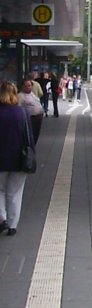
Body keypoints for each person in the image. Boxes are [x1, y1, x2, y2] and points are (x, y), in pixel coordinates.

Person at [0, 81, 35, 236]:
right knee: (15, 193)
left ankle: (2, 219)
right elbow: (29, 138)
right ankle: (12, 225)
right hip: (19, 159)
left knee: (0, 190)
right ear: (15, 94)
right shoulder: (22, 113)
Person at [17, 78, 44, 143]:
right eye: (25, 86)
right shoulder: (20, 96)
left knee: (35, 134)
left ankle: (33, 145)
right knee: (30, 135)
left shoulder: (32, 94)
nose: (28, 87)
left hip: (38, 118)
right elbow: (18, 108)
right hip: (30, 118)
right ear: (22, 86)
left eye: (29, 85)